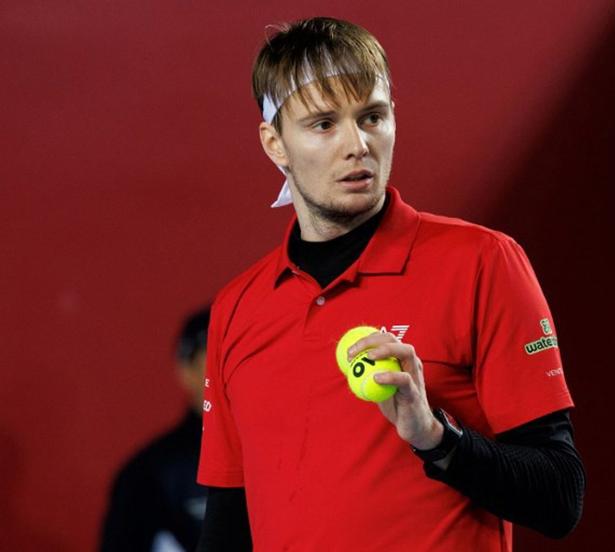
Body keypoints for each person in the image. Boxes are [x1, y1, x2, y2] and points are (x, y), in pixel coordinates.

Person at [197, 17, 585, 551]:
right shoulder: (237, 309)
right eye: (323, 124)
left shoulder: (483, 262)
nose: (357, 144)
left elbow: (560, 496)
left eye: (372, 117)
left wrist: (437, 439)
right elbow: (226, 528)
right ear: (275, 143)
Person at [101, 307, 211, 552]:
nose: (232, 373)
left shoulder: (290, 459)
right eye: (216, 358)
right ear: (186, 371)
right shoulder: (150, 473)